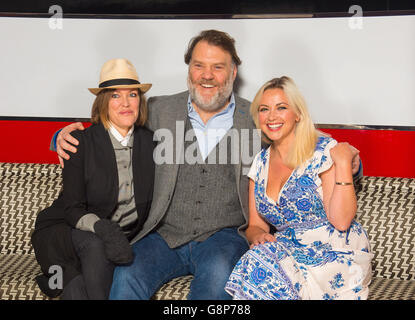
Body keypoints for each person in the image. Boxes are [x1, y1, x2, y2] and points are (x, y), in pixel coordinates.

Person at [51, 30, 362, 300]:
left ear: (233, 72)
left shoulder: (255, 116)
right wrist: (59, 137)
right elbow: (111, 123)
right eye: (199, 65)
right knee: (126, 277)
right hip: (162, 235)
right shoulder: (158, 109)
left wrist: (345, 160)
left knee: (215, 283)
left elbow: (299, 136)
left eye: (218, 67)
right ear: (189, 69)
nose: (207, 75)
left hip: (223, 237)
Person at [224, 76, 373, 300]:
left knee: (258, 265)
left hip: (333, 254)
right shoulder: (260, 163)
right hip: (290, 252)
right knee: (256, 258)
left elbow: (341, 221)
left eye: (281, 108)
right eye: (264, 109)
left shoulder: (324, 152)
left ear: (298, 114)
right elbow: (255, 225)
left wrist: (343, 162)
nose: (272, 116)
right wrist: (258, 237)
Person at [31, 58, 155, 299]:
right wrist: (103, 228)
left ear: (140, 100)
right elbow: (72, 209)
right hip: (65, 229)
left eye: (132, 94)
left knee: (76, 289)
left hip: (113, 240)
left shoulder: (151, 143)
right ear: (103, 103)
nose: (126, 103)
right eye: (115, 96)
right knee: (96, 245)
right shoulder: (80, 142)